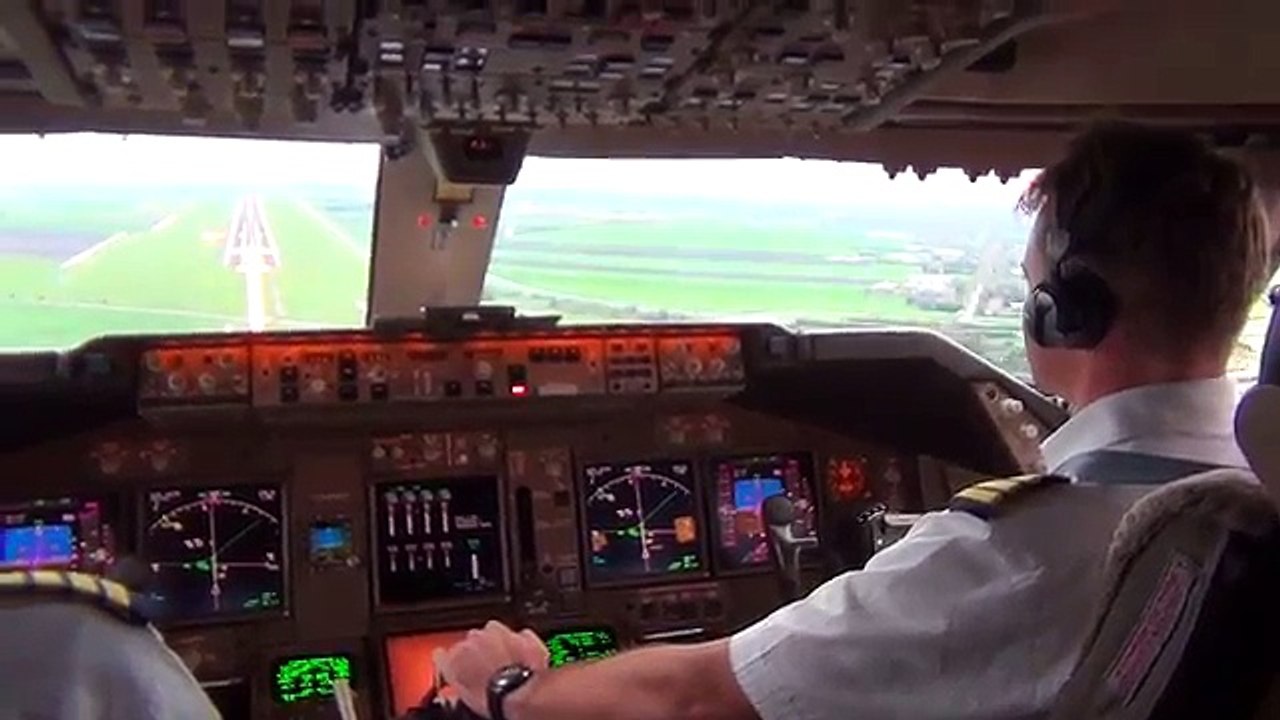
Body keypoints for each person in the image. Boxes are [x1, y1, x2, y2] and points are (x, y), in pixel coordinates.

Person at [435, 122, 1277, 720]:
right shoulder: (1253, 499)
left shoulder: (1022, 550)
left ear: (1068, 312)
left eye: (1032, 289)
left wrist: (512, 692)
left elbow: (695, 699)